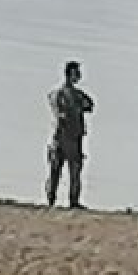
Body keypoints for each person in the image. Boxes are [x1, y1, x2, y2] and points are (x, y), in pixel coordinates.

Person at [46, 60, 94, 209]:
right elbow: (62, 112)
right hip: (66, 136)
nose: (79, 76)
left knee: (65, 170)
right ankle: (58, 199)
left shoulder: (72, 94)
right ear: (70, 74)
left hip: (68, 136)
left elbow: (90, 105)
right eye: (77, 73)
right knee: (62, 170)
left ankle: (62, 200)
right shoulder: (63, 94)